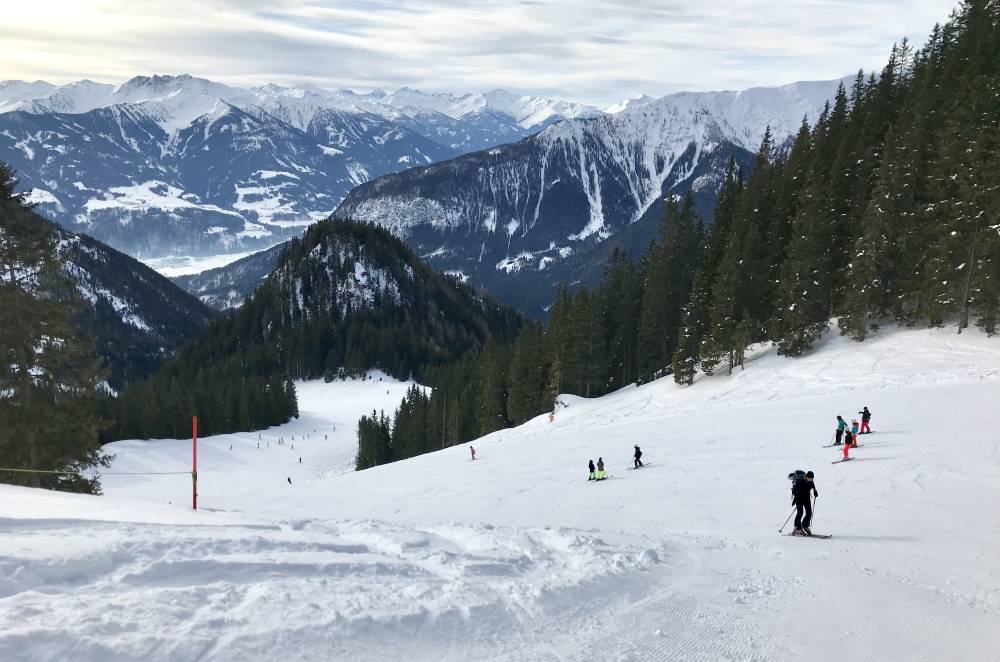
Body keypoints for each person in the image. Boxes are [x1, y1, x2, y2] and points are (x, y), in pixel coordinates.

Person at [792, 470, 819, 535]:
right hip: (799, 498)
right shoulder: (800, 481)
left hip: (806, 497)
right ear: (806, 477)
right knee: (800, 513)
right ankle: (797, 528)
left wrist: (815, 491)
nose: (811, 480)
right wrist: (795, 499)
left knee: (809, 512)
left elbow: (813, 485)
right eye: (809, 478)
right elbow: (795, 490)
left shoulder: (811, 481)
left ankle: (805, 525)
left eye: (812, 479)